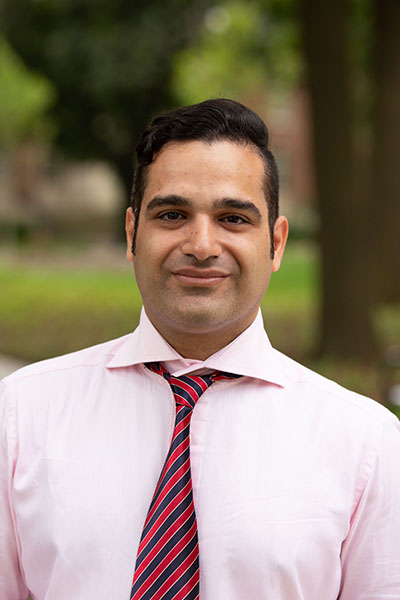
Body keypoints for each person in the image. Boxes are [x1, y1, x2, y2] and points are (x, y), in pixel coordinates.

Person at [1, 98, 399, 600]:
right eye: (172, 214)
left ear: (275, 244)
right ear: (132, 233)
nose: (202, 245)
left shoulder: (366, 445)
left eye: (233, 218)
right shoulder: (20, 417)